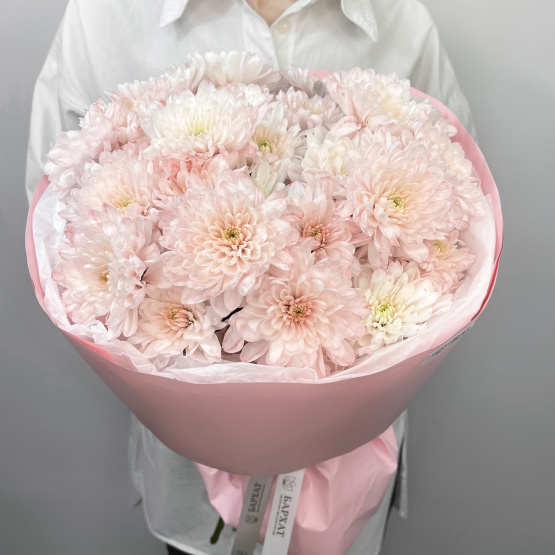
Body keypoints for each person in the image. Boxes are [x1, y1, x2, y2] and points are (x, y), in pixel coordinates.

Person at [25, 1, 475, 553]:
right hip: (192, 483)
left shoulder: (401, 18)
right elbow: (56, 217)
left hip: (351, 476)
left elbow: (458, 205)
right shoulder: (104, 16)